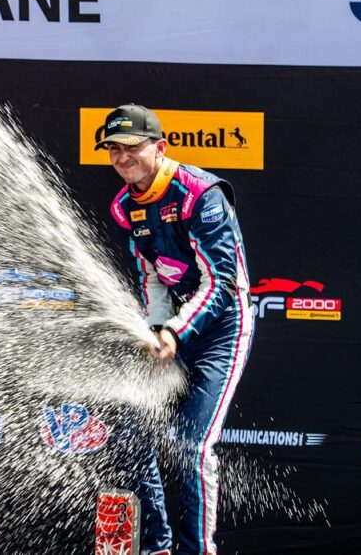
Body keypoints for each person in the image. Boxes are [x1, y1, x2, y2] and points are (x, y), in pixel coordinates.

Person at [96, 104, 254, 555]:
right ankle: (156, 546)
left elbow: (221, 283)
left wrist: (176, 332)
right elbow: (151, 277)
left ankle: (197, 549)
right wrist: (156, 330)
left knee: (192, 446)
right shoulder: (124, 206)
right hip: (174, 331)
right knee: (131, 435)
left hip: (223, 327)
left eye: (131, 146)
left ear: (160, 147)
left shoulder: (201, 195)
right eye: (113, 149)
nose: (122, 157)